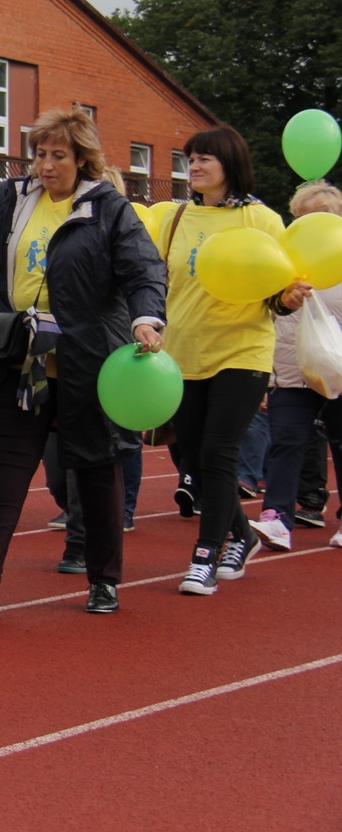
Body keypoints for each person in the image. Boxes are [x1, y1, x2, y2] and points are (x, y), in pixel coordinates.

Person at [0, 107, 166, 617]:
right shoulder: (12, 199)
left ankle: (103, 579)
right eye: (39, 154)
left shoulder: (108, 209)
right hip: (25, 362)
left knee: (94, 469)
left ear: (83, 159)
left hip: (88, 363)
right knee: (4, 468)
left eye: (57, 155)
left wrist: (147, 319)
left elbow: (144, 271)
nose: (45, 165)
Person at [159, 127, 309, 595]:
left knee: (218, 452)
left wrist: (288, 299)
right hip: (183, 351)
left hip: (241, 351)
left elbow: (276, 297)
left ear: (230, 164)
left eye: (205, 159)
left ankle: (207, 554)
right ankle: (243, 535)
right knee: (192, 457)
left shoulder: (261, 221)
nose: (195, 166)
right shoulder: (175, 218)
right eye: (191, 159)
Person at [249, 180, 342, 553]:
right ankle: (277, 519)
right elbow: (270, 318)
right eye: (303, 218)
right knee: (285, 442)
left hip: (338, 373)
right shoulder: (282, 263)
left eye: (321, 217)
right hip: (291, 373)